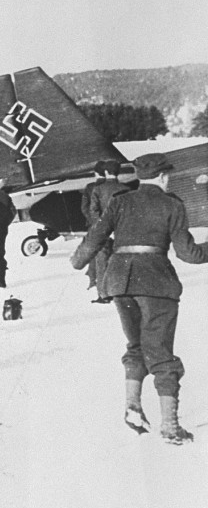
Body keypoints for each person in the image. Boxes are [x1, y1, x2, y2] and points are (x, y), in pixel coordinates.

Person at [70, 153, 208, 444]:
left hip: (118, 281)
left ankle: (133, 405)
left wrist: (78, 260)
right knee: (159, 351)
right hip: (156, 282)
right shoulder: (172, 204)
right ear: (163, 176)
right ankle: (170, 426)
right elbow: (188, 254)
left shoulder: (120, 201)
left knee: (136, 346)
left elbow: (96, 235)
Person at [87, 159, 130, 303]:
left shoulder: (98, 189)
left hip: (103, 232)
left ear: (105, 172)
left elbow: (93, 211)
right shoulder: (126, 189)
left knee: (102, 262)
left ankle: (104, 295)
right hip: (122, 232)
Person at [80, 162, 106, 290]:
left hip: (93, 225)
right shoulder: (111, 186)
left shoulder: (90, 187)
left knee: (94, 252)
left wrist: (93, 221)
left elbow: (84, 208)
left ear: (95, 174)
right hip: (110, 226)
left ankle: (92, 278)